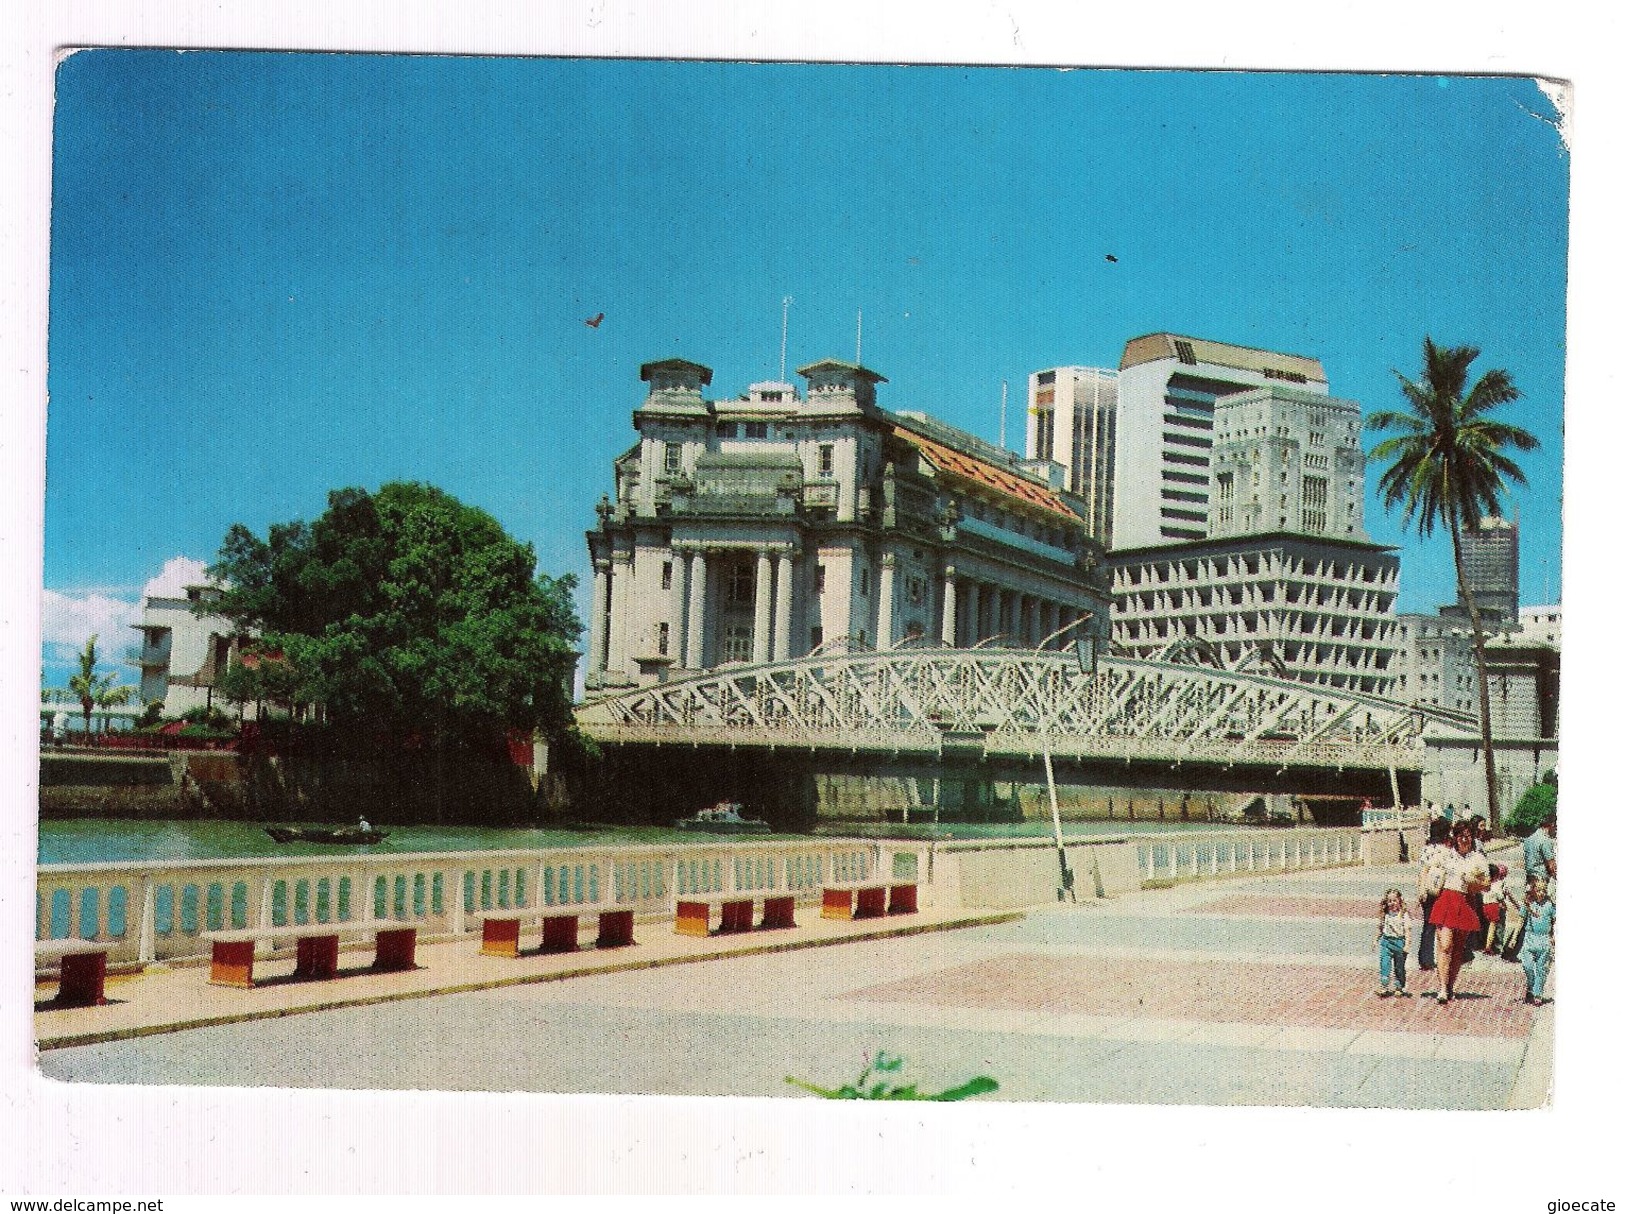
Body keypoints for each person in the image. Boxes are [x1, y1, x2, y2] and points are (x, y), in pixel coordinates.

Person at [1427, 819, 1491, 1006]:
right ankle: (1442, 988)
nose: (1465, 840)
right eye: (1462, 836)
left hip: (1465, 901)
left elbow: (1486, 885)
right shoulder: (1446, 855)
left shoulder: (1477, 858)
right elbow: (1429, 870)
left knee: (1458, 949)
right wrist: (1425, 887)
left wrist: (1473, 882)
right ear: (1455, 837)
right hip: (1446, 899)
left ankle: (1450, 985)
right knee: (1445, 944)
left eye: (1468, 836)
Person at [1416, 817, 1452, 972]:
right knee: (1441, 925)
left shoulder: (1426, 849)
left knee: (1428, 924)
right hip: (1441, 890)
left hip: (1427, 889)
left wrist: (1421, 889)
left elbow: (1423, 871)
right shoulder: (1447, 851)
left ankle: (1425, 958)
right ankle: (1439, 956)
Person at [1518, 878, 1555, 1005]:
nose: (1541, 893)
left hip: (1544, 939)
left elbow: (1554, 921)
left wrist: (1554, 936)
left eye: (1544, 890)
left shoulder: (1550, 905)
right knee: (1527, 965)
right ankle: (1531, 986)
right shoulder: (1528, 905)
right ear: (1533, 890)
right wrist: (1513, 938)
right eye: (1538, 890)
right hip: (1530, 938)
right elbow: (1520, 920)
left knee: (1541, 968)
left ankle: (1537, 993)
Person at [1375, 888, 1412, 997]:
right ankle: (1384, 986)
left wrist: (1407, 945)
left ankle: (1399, 986)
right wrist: (1376, 940)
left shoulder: (1403, 915)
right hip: (1386, 942)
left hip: (1399, 942)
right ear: (1386, 902)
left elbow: (1408, 931)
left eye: (1394, 900)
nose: (1392, 903)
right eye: (1389, 901)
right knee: (1384, 963)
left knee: (1399, 967)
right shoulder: (1385, 914)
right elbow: (1380, 928)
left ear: (1400, 901)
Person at [1523, 813, 1557, 897]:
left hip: (1530, 878)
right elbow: (1551, 865)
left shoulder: (1529, 839)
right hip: (1541, 879)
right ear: (1552, 825)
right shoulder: (1545, 840)